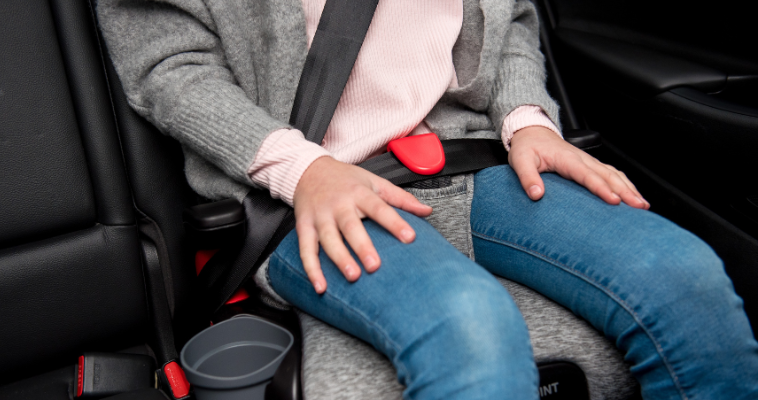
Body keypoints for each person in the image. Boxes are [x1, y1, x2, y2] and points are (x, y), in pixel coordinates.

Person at [96, 0, 758, 399]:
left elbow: (512, 20)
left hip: (471, 153)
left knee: (687, 280)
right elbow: (167, 66)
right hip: (305, 186)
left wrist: (527, 118)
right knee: (467, 322)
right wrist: (301, 167)